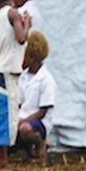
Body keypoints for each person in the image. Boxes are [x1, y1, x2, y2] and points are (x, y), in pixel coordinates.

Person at [0, 0, 32, 170]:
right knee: (6, 118)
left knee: (2, 117)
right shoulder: (12, 14)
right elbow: (21, 39)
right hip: (6, 72)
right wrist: (26, 24)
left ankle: (2, 160)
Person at [17, 31, 56, 164]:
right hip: (23, 118)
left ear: (32, 57)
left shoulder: (46, 79)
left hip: (39, 122)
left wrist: (23, 120)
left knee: (24, 129)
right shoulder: (23, 77)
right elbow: (19, 103)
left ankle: (40, 143)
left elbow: (42, 112)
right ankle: (29, 150)